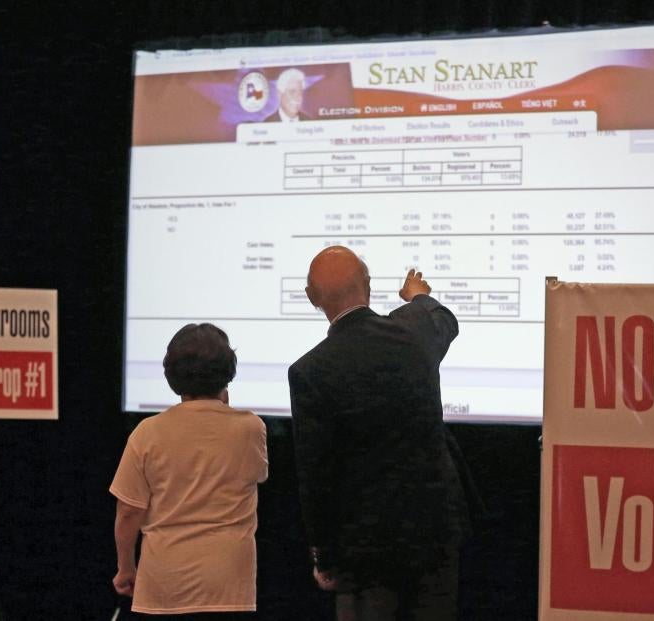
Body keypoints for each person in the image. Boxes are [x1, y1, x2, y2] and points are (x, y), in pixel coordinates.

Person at [288, 246, 475, 621]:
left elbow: (316, 475)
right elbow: (443, 318)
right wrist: (418, 296)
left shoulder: (309, 371)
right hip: (434, 534)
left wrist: (324, 555)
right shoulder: (414, 332)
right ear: (369, 285)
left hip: (363, 550)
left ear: (311, 298)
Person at [110, 323, 268, 620]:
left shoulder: (147, 433)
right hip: (228, 585)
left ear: (171, 375)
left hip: (163, 584)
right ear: (228, 373)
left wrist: (126, 567)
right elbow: (257, 475)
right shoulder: (251, 428)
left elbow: (129, 511)